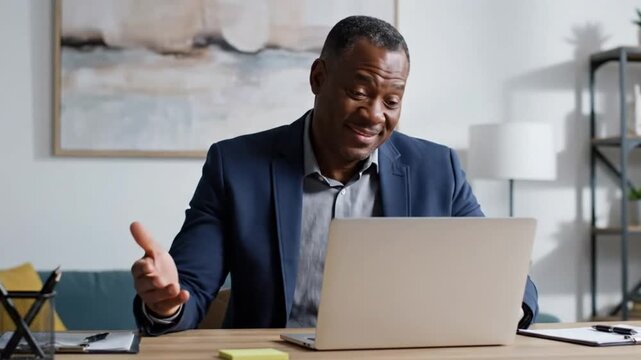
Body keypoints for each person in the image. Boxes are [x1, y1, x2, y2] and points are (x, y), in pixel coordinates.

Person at [131, 15, 538, 335]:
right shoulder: (236, 166)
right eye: (359, 92)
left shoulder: (437, 170)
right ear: (318, 78)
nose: (375, 114)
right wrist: (167, 303)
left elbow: (503, 277)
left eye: (391, 100)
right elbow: (190, 290)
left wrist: (507, 300)